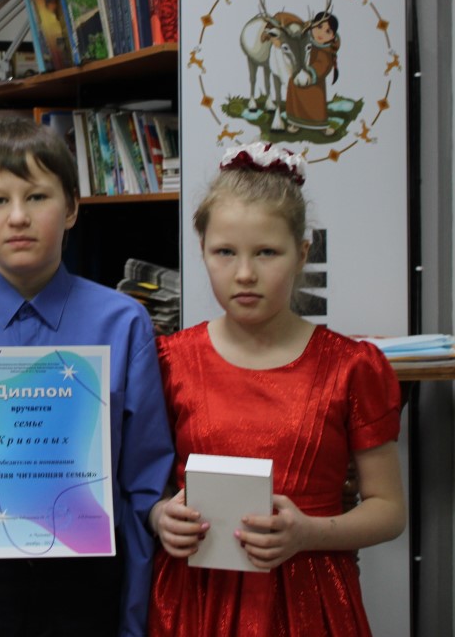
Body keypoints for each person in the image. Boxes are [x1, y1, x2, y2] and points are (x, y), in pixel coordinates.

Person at [0, 118, 174, 637]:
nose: (18, 217)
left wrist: (134, 616)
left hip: (85, 582)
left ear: (72, 208)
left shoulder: (122, 323)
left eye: (37, 197)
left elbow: (143, 482)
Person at [147, 141, 405, 636]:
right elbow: (145, 485)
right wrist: (161, 516)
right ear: (202, 251)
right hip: (196, 597)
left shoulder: (351, 367)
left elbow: (389, 510)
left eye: (267, 252)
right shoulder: (170, 362)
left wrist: (308, 532)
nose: (245, 274)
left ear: (302, 253)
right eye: (225, 252)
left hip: (310, 596)